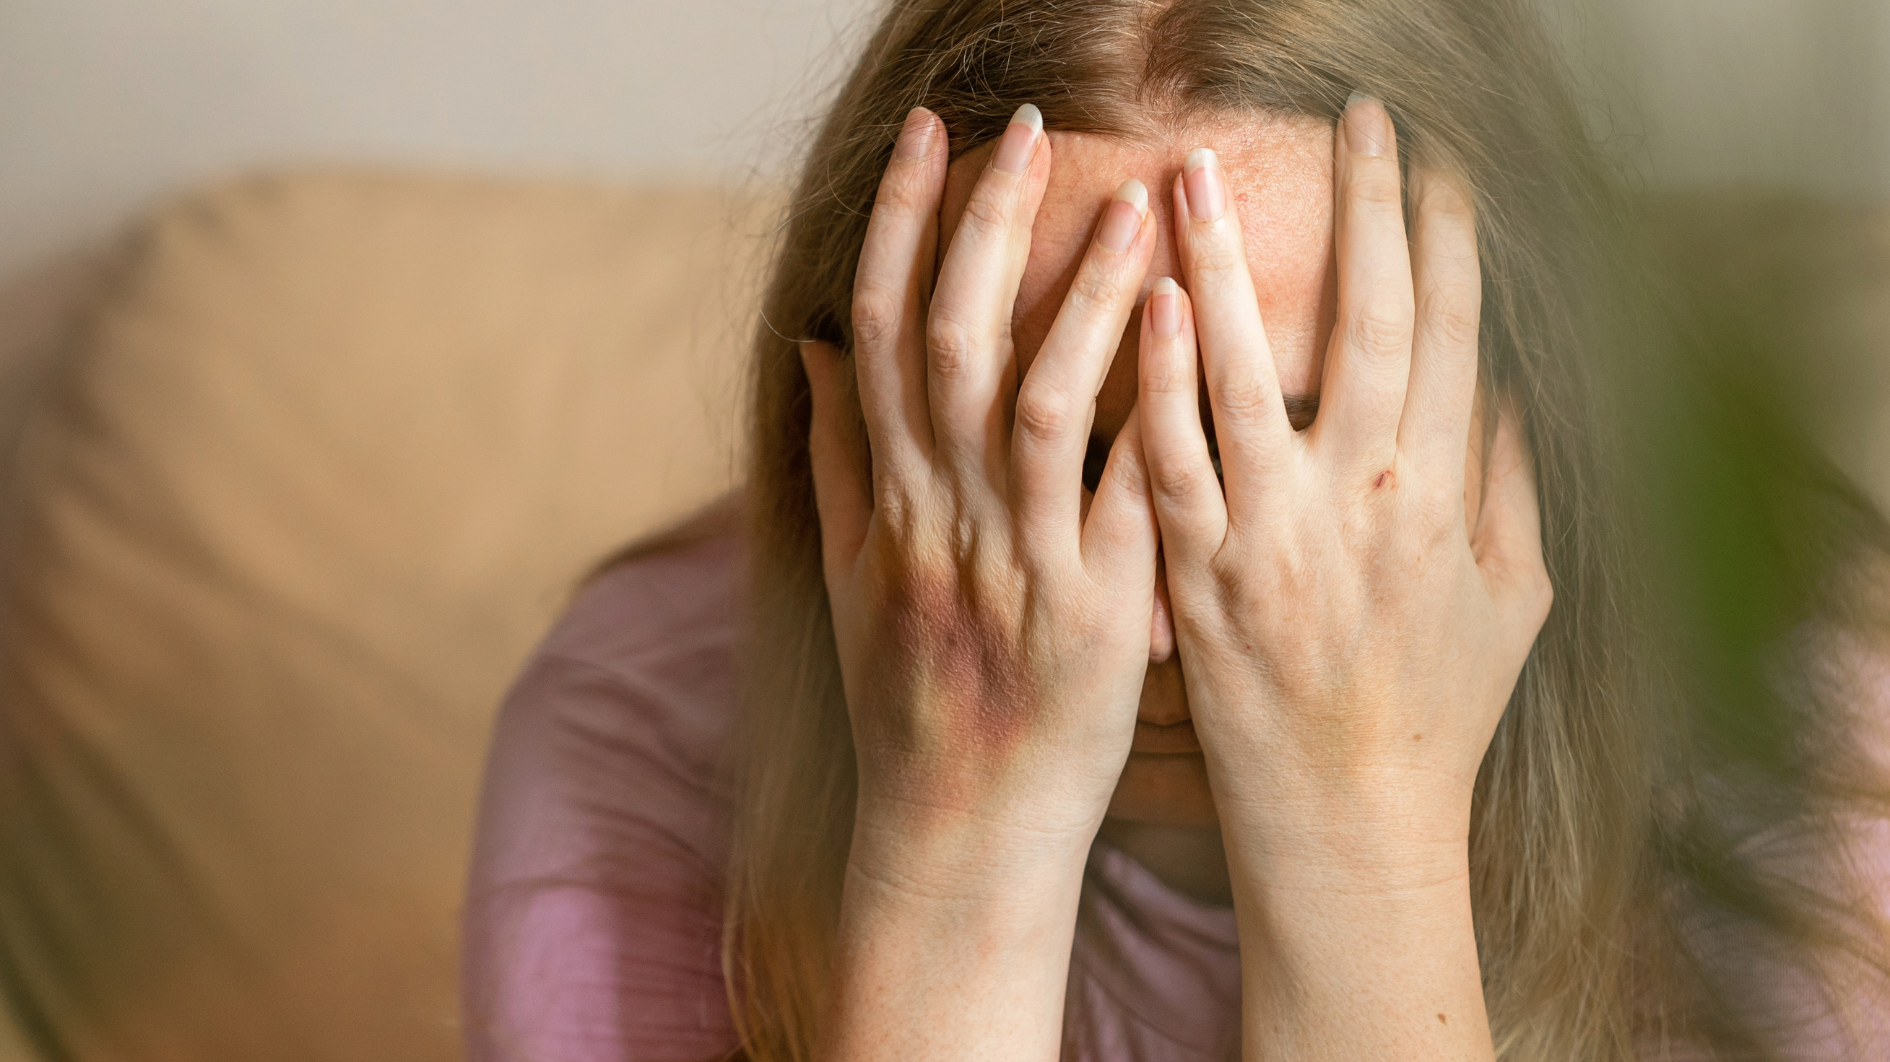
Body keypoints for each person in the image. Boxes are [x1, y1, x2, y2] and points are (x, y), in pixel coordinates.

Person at [462, 1, 1890, 1059]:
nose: (1146, 621)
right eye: (1040, 450)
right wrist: (954, 855)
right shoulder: (641, 718)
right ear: (847, 419)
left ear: (1513, 417)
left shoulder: (1807, 756)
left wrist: (1359, 833)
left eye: (1280, 445)